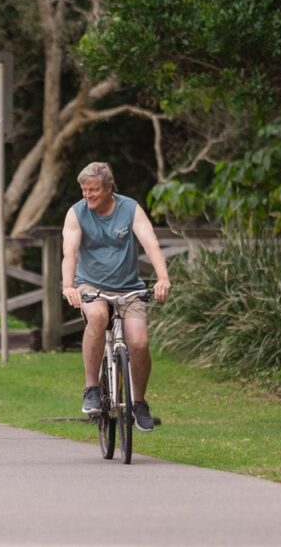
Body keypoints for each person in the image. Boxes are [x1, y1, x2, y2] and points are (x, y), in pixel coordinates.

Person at [61, 161, 171, 432]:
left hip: (129, 287)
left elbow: (150, 243)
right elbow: (70, 254)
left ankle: (140, 402)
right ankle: (91, 388)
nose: (87, 195)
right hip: (90, 286)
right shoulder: (76, 214)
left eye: (94, 190)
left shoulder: (130, 208)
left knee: (139, 343)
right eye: (84, 190)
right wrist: (68, 286)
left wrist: (163, 278)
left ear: (110, 187)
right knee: (97, 316)